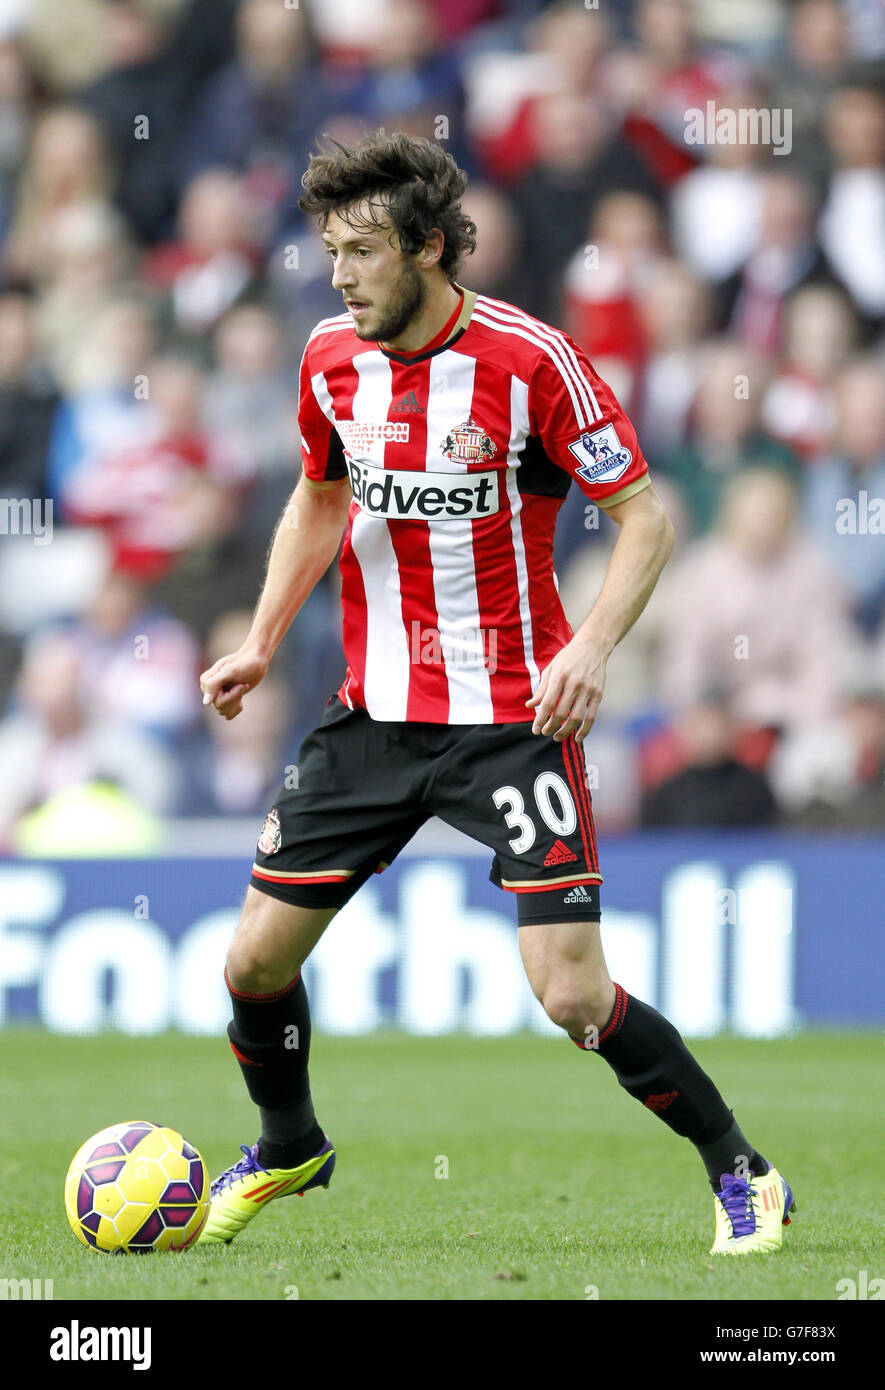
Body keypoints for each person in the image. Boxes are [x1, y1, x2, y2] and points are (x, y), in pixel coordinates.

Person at [198, 130, 793, 1256]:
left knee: (571, 995)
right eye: (330, 251)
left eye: (363, 251)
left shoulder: (532, 361)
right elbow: (319, 497)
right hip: (374, 710)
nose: (339, 275)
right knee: (252, 964)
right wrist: (265, 639)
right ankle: (288, 1147)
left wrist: (595, 647)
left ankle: (743, 1168)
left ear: (429, 248)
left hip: (516, 718)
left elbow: (646, 518)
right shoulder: (329, 356)